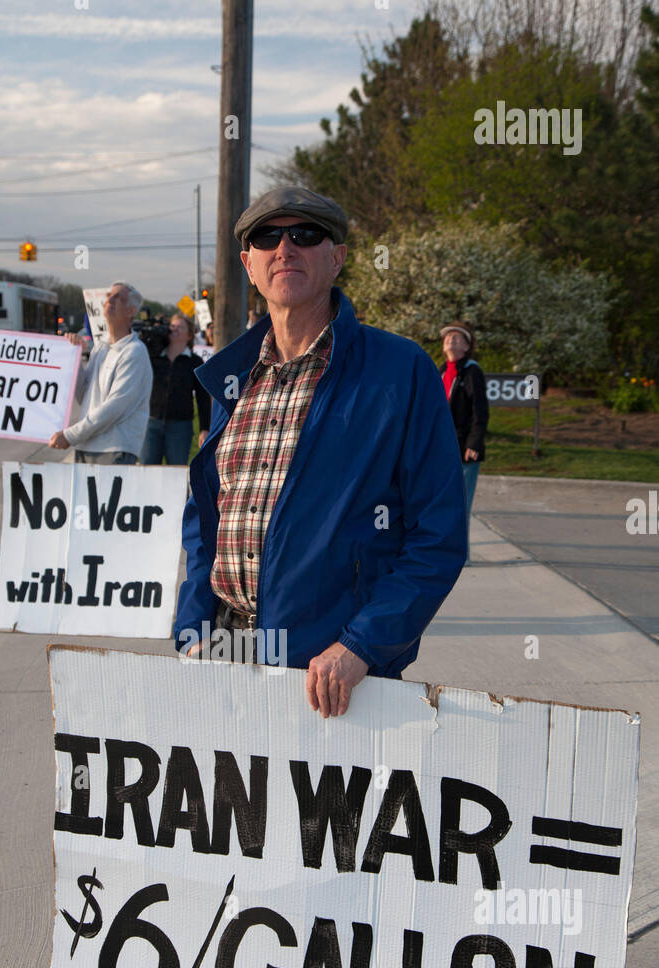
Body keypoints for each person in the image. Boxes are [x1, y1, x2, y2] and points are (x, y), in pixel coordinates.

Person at [174, 185, 467, 718]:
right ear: (248, 264)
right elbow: (205, 521)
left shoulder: (399, 372)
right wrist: (192, 630)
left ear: (337, 259)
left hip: (333, 676)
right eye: (267, 237)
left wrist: (362, 646)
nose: (285, 248)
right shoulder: (231, 378)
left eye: (305, 235)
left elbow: (439, 536)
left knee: (320, 806)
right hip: (225, 654)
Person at [48, 282, 151, 465]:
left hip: (114, 449)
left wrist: (70, 435)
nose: (110, 300)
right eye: (109, 295)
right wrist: (75, 355)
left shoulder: (134, 352)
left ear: (131, 311)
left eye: (119, 298)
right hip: (86, 446)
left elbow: (114, 408)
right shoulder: (100, 349)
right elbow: (84, 395)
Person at [140, 312, 211, 466]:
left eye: (180, 327)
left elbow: (203, 398)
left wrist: (205, 428)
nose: (175, 329)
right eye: (172, 326)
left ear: (189, 335)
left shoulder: (195, 362)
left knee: (176, 470)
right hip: (151, 422)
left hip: (180, 426)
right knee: (147, 470)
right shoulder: (154, 357)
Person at [439, 321, 489, 515]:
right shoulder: (441, 371)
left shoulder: (471, 371)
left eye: (457, 336)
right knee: (442, 505)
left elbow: (480, 410)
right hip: (442, 447)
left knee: (460, 506)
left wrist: (474, 443)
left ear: (467, 347)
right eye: (448, 336)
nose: (451, 338)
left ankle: (460, 546)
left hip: (463, 448)